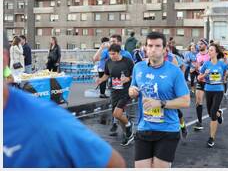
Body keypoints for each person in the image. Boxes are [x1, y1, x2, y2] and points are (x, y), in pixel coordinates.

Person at [3, 34, 125, 168]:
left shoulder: (46, 119)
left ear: (4, 58)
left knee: (117, 109)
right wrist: (101, 51)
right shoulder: (104, 52)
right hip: (107, 76)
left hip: (122, 87)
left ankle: (122, 125)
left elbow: (113, 163)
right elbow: (95, 58)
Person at [129, 32, 190, 168]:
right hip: (144, 127)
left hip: (167, 130)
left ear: (164, 49)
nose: (153, 49)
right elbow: (133, 87)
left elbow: (186, 101)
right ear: (145, 47)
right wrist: (132, 91)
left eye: (157, 46)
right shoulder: (138, 67)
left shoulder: (174, 71)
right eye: (150, 45)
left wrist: (161, 103)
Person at [96, 44, 135, 146]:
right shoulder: (108, 62)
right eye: (110, 54)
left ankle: (129, 126)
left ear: (119, 52)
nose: (111, 56)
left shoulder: (127, 61)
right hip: (114, 91)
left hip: (126, 91)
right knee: (117, 115)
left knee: (117, 114)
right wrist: (100, 80)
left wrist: (128, 78)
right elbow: (106, 75)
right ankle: (128, 133)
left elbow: (135, 74)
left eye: (113, 54)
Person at [198, 43, 228, 148]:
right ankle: (219, 113)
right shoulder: (206, 64)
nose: (209, 52)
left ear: (216, 52)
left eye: (211, 50)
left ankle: (211, 138)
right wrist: (204, 75)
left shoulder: (221, 64)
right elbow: (199, 78)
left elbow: (227, 71)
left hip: (218, 90)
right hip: (208, 89)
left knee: (212, 114)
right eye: (209, 50)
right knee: (210, 112)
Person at [193, 39, 210, 130]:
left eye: (201, 44)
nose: (199, 45)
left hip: (209, 82)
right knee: (198, 101)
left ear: (206, 45)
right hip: (200, 80)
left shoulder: (210, 54)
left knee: (210, 105)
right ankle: (199, 122)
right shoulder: (197, 55)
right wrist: (195, 69)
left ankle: (218, 113)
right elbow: (197, 67)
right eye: (198, 44)